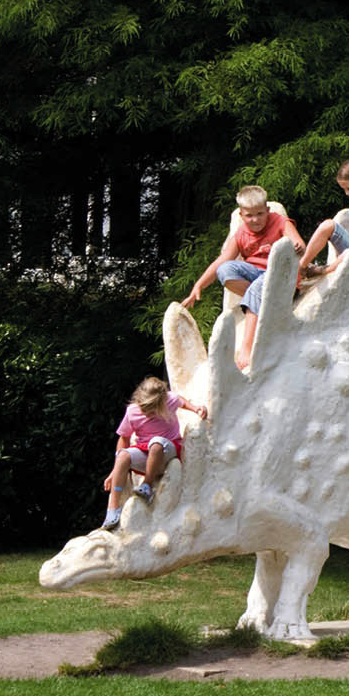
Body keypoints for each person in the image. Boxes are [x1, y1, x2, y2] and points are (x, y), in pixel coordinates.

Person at [180, 185, 306, 370]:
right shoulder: (241, 234)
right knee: (225, 269)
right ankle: (261, 299)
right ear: (241, 215)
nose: (255, 220)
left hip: (281, 278)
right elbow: (222, 260)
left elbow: (298, 242)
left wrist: (298, 247)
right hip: (258, 279)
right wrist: (198, 286)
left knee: (258, 287)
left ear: (267, 211)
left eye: (260, 214)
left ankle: (246, 349)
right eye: (249, 215)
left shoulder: (280, 221)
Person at [101, 377, 208, 530]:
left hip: (167, 449)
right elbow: (124, 438)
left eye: (151, 410)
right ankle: (112, 509)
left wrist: (195, 408)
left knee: (156, 442)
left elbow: (180, 400)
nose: (147, 413)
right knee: (124, 455)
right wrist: (114, 470)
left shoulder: (170, 400)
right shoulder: (132, 411)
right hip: (145, 451)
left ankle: (147, 485)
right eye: (144, 409)